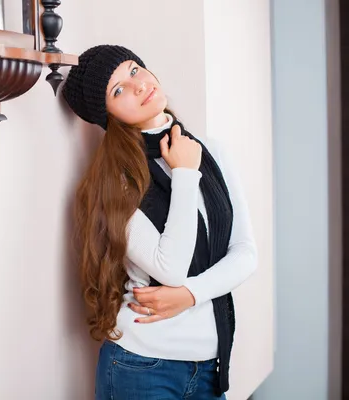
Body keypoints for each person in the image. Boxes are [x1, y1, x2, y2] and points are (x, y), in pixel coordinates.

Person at [62, 45, 258, 399]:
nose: (138, 86)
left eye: (134, 70)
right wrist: (183, 173)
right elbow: (171, 269)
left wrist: (188, 296)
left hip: (209, 367)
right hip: (141, 367)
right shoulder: (116, 182)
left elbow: (245, 253)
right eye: (117, 90)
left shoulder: (210, 151)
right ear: (107, 115)